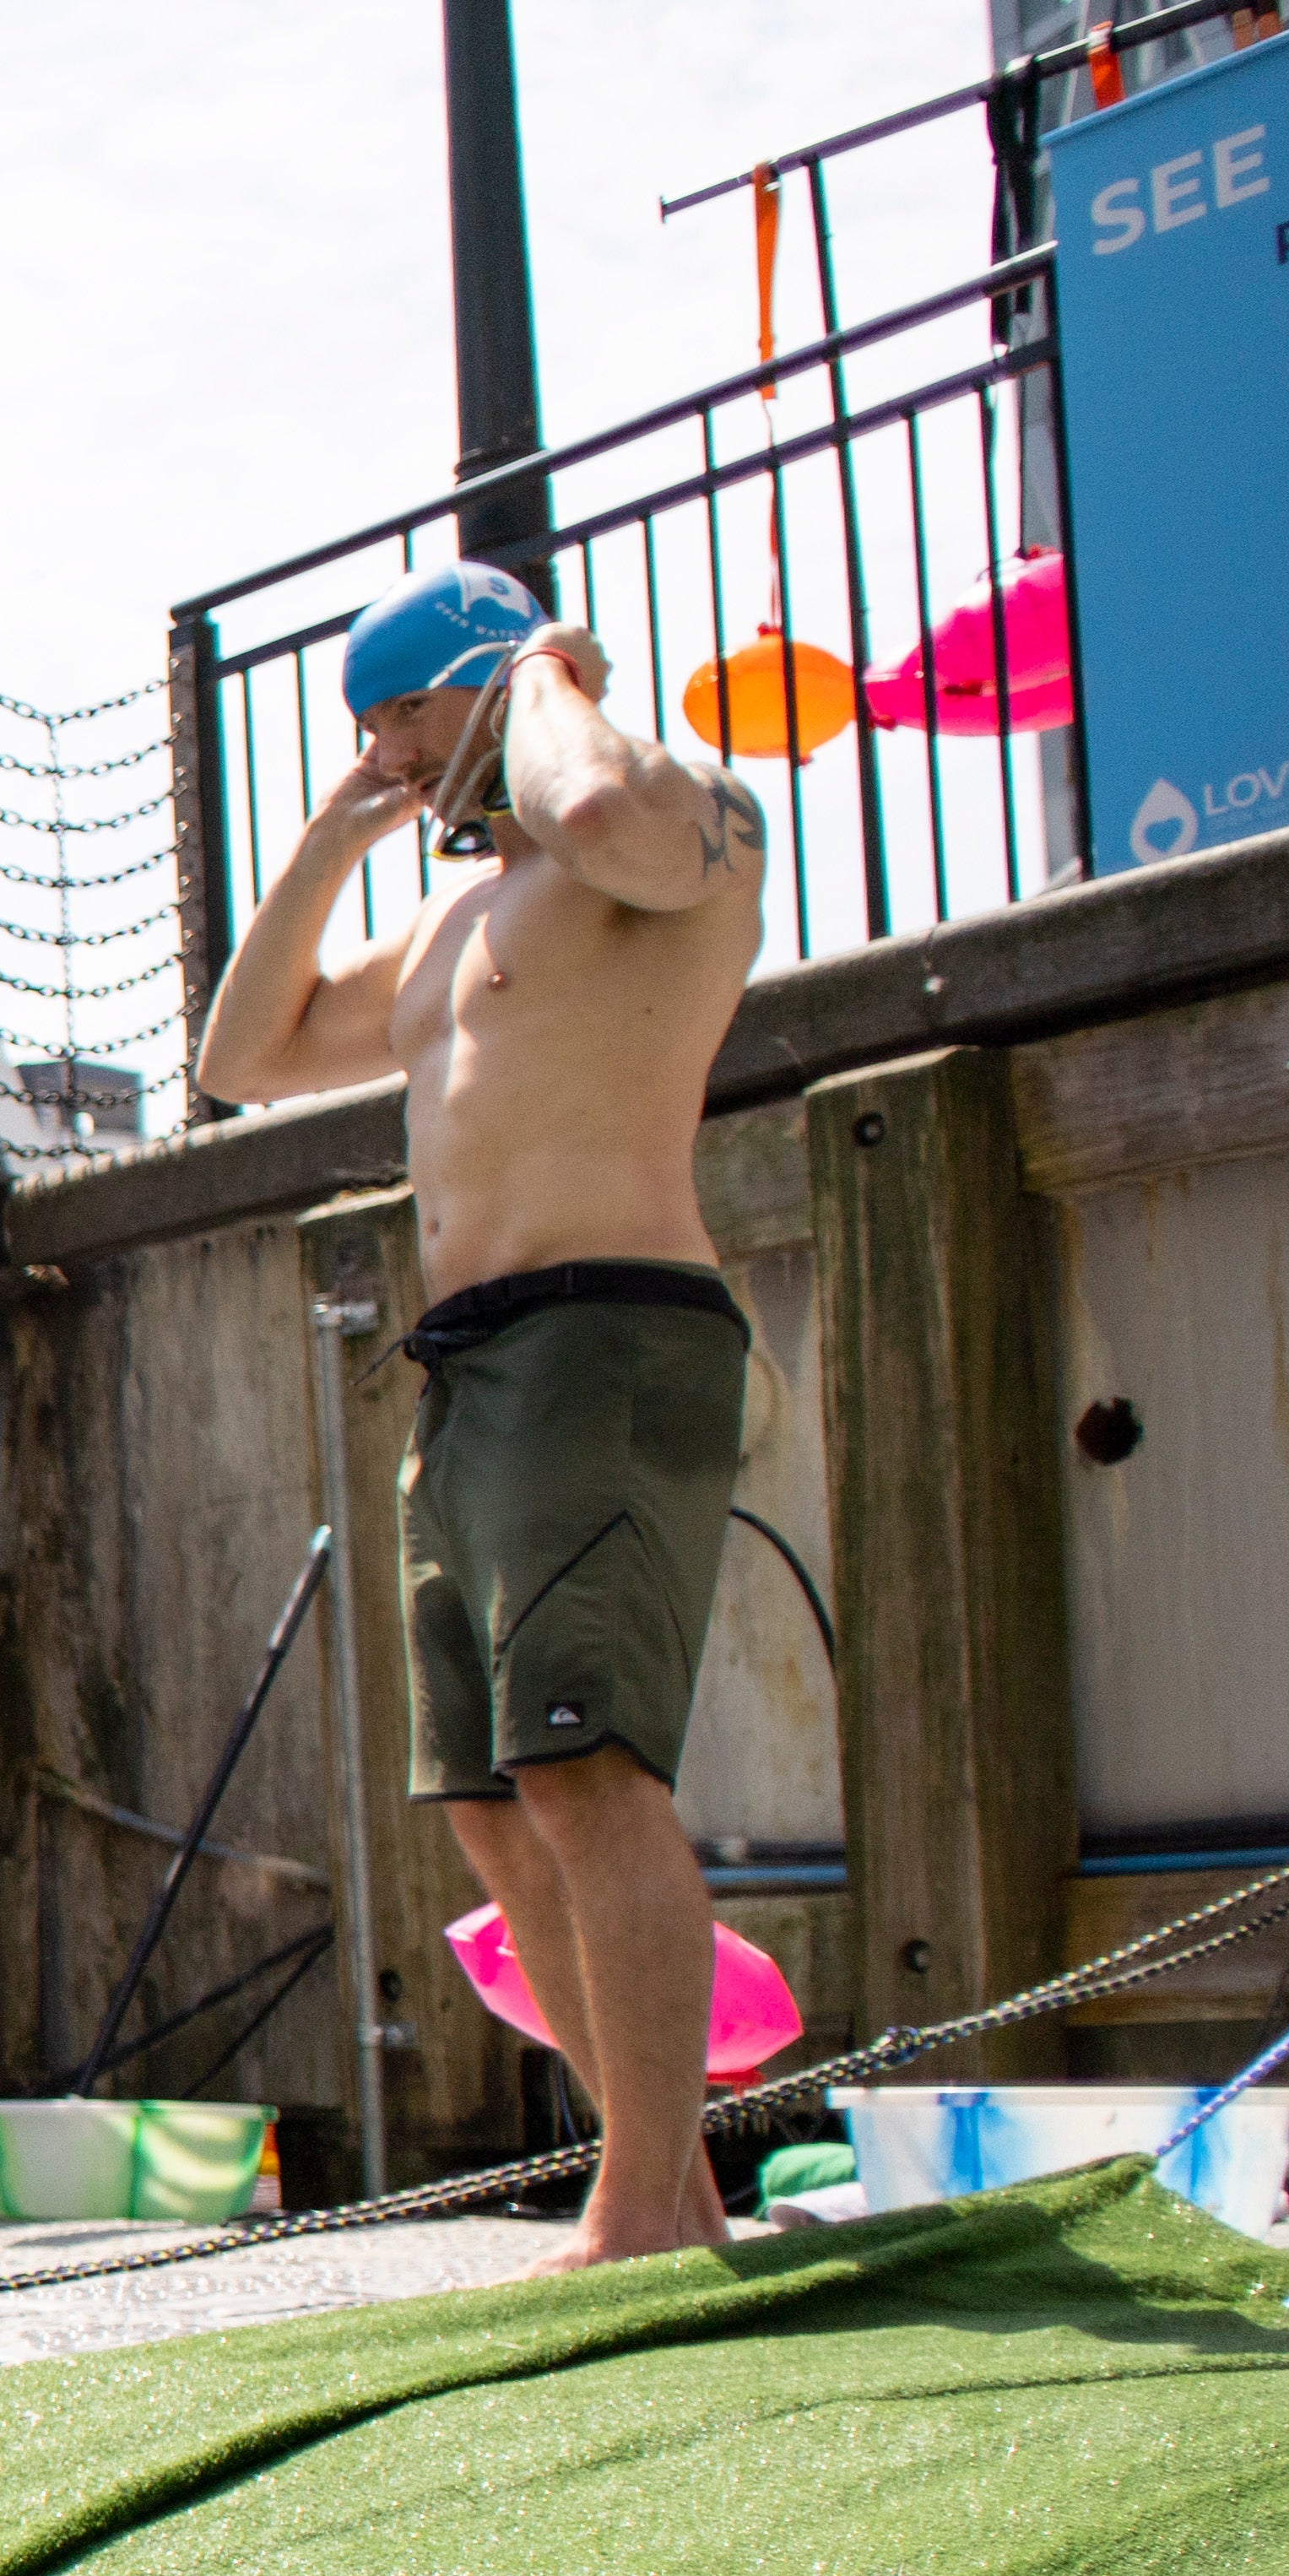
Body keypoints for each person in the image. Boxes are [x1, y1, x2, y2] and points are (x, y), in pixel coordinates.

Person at [194, 561, 772, 2268]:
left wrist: (535, 679)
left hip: (608, 1335)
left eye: (396, 715)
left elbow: (590, 800)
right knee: (491, 1796)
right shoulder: (456, 923)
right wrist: (330, 840)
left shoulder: (675, 820)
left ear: (490, 687)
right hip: (470, 1372)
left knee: (589, 1766)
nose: (383, 750)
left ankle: (639, 2209)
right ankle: (667, 2187)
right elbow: (248, 1053)